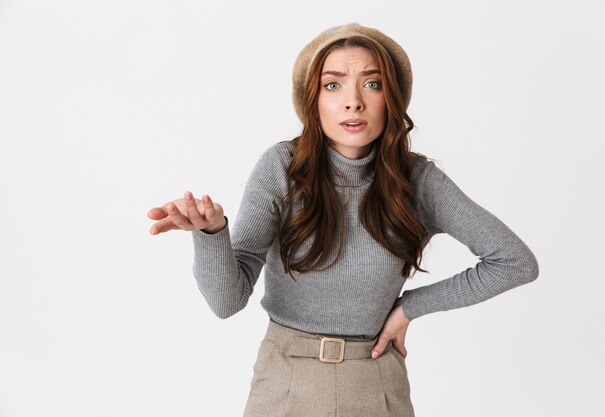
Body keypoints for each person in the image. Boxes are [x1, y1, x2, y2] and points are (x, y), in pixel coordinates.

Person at [146, 22, 539, 417]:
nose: (353, 102)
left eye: (372, 84)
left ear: (392, 98)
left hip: (377, 385)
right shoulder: (281, 168)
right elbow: (226, 302)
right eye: (333, 85)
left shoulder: (418, 182)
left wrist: (409, 308)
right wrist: (211, 234)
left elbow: (514, 262)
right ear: (312, 100)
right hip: (284, 385)